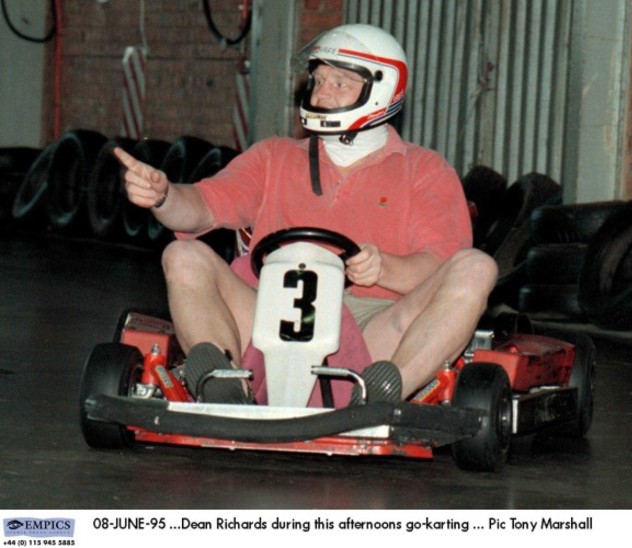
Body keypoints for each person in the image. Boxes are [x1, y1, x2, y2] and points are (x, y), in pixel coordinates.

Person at [114, 23, 498, 405]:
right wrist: (163, 196)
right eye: (319, 80)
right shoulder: (274, 157)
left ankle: (383, 395)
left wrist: (385, 269)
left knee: (476, 268)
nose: (322, 93)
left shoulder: (425, 170)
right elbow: (200, 209)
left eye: (340, 83)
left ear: (380, 90)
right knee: (181, 255)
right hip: (267, 315)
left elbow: (443, 266)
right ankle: (223, 383)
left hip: (375, 327)